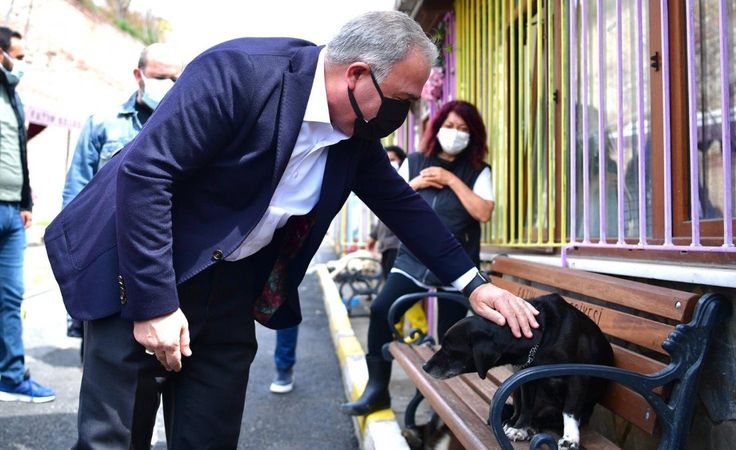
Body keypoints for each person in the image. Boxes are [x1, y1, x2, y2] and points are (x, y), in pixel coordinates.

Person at [44, 12, 538, 448]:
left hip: (229, 289)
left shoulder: (354, 135)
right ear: (357, 75)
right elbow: (146, 175)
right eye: (402, 100)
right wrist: (154, 304)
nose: (404, 116)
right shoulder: (240, 74)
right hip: (142, 268)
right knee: (114, 439)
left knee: (209, 437)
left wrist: (474, 285)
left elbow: (403, 206)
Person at [341, 100, 496, 416]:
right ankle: (377, 389)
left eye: (463, 129)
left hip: (458, 265)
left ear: (474, 135)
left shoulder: (479, 170)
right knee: (382, 310)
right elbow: (389, 201)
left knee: (451, 334)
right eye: (449, 126)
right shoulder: (413, 161)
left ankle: (447, 406)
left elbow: (483, 212)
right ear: (436, 128)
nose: (455, 133)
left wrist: (451, 180)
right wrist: (417, 183)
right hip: (412, 260)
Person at [61, 43, 183, 349]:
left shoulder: (185, 127)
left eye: (174, 78)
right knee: (103, 349)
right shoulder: (104, 122)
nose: (168, 85)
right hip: (105, 251)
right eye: (160, 77)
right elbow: (77, 191)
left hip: (157, 255)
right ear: (139, 75)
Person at [0, 27, 55, 403]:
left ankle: (10, 376)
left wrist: (25, 203)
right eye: (18, 56)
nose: (21, 63)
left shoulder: (13, 97)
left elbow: (19, 152)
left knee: (10, 298)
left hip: (11, 214)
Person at [367, 145, 406, 277]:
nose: (390, 163)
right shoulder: (387, 185)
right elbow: (383, 216)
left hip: (398, 245)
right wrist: (373, 236)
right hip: (385, 245)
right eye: (386, 160)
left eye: (393, 159)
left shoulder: (406, 185)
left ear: (402, 161)